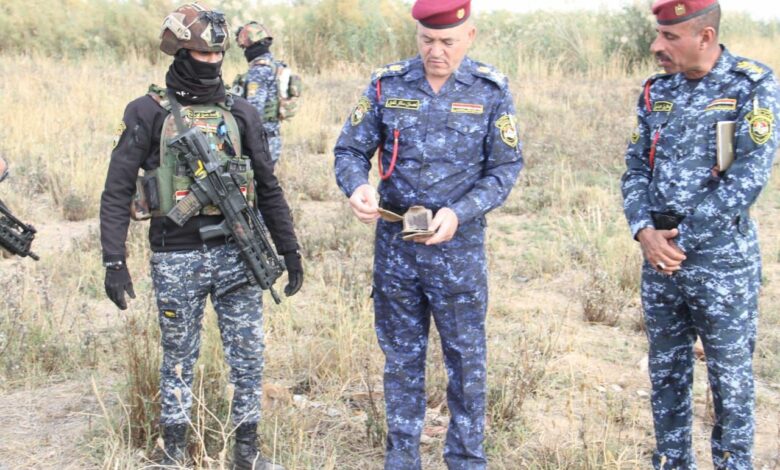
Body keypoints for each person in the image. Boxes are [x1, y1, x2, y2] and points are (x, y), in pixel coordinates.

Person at [99, 3, 303, 469]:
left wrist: (289, 249)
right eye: (201, 54)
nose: (211, 63)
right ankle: (173, 453)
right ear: (178, 51)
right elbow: (116, 191)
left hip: (239, 254)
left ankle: (246, 453)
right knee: (177, 358)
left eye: (217, 55)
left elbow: (268, 187)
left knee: (248, 359)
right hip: (175, 258)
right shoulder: (145, 112)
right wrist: (114, 261)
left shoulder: (242, 113)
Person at [333, 0, 523, 468]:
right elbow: (350, 150)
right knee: (401, 358)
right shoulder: (388, 84)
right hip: (396, 246)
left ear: (469, 37)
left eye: (447, 42)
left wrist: (460, 212)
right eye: (427, 40)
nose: (436, 51)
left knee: (466, 360)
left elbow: (504, 169)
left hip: (457, 249)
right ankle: (402, 459)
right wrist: (357, 186)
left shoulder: (490, 90)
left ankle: (466, 459)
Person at [621, 0, 779, 468]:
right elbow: (634, 168)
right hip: (659, 260)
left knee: (730, 380)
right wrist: (644, 231)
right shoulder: (657, 91)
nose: (657, 45)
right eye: (658, 33)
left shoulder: (751, 86)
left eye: (670, 36)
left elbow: (747, 178)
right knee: (666, 373)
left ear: (705, 37)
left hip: (720, 261)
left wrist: (679, 240)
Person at [235, 22, 285, 165]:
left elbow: (253, 113)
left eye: (244, 48)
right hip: (273, 139)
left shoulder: (258, 71)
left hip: (260, 144)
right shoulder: (276, 66)